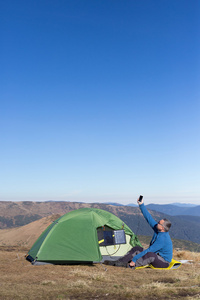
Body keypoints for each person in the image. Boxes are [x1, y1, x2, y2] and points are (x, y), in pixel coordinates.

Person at [105, 197, 173, 269]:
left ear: (162, 228)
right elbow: (149, 218)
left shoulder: (163, 239)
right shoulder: (158, 229)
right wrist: (141, 205)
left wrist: (134, 259)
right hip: (156, 255)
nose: (157, 223)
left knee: (150, 255)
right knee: (137, 248)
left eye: (159, 223)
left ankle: (131, 265)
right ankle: (120, 261)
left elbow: (149, 250)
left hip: (163, 262)